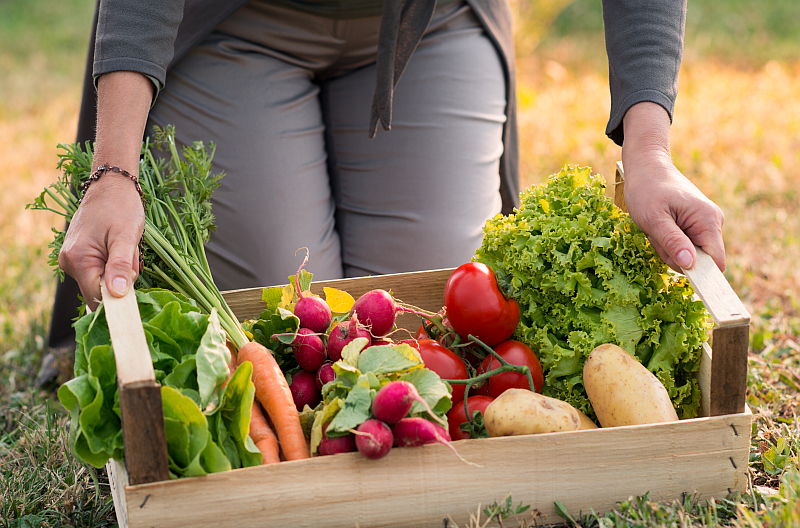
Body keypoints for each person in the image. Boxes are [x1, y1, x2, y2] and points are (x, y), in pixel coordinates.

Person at [40, 0, 725, 383]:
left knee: (423, 330)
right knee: (288, 326)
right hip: (235, 22)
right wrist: (114, 171)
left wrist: (648, 150)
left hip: (428, 23)